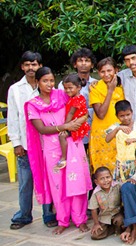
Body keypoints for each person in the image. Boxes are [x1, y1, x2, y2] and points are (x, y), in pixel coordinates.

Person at [25, 67, 92, 235]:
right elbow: (41, 129)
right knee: (58, 185)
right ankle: (62, 220)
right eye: (45, 81)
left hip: (73, 143)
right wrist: (65, 126)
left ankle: (80, 219)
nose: (49, 84)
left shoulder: (62, 95)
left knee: (77, 182)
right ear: (38, 82)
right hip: (52, 149)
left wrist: (81, 120)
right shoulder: (33, 104)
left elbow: (80, 107)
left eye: (52, 81)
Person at [8, 51, 57, 229]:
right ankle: (24, 215)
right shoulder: (15, 90)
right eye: (27, 64)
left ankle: (49, 214)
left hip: (48, 145)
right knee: (26, 182)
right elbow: (13, 118)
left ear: (39, 67)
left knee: (48, 181)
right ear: (22, 66)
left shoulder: (48, 87)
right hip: (27, 146)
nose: (31, 68)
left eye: (34, 64)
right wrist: (16, 143)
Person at [89, 57, 125, 173]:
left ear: (116, 70)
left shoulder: (121, 87)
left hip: (119, 133)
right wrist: (110, 91)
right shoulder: (95, 88)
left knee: (120, 170)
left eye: (109, 70)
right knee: (102, 171)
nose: (106, 74)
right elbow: (101, 114)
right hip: (102, 135)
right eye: (102, 72)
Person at [58, 48, 97, 149]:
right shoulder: (64, 85)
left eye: (87, 60)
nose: (83, 63)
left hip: (93, 127)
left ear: (92, 65)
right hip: (72, 127)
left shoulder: (97, 84)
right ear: (75, 64)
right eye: (80, 60)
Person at [105, 100, 136, 182]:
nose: (126, 118)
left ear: (132, 112)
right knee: (122, 186)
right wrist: (118, 128)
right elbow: (107, 139)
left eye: (128, 114)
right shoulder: (115, 127)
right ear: (117, 116)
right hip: (121, 164)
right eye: (122, 116)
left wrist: (135, 140)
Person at [55, 74, 91, 170]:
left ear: (78, 87)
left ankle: (64, 157)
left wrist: (65, 126)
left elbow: (70, 114)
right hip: (75, 123)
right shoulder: (76, 98)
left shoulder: (76, 100)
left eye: (70, 88)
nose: (67, 91)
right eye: (66, 88)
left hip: (76, 125)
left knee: (62, 136)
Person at [89, 166, 124, 240]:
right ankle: (112, 229)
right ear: (96, 181)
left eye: (108, 177)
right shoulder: (96, 193)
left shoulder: (118, 186)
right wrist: (96, 224)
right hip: (105, 218)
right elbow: (93, 209)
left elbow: (127, 189)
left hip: (118, 214)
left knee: (120, 221)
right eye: (102, 179)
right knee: (95, 235)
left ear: (111, 177)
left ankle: (118, 227)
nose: (106, 180)